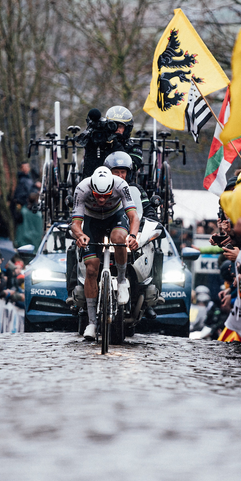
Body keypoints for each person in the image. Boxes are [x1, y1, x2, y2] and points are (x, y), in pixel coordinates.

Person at [71, 166, 140, 340]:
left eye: (106, 195)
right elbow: (75, 224)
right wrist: (80, 236)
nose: (101, 199)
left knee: (119, 238)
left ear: (112, 189)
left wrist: (132, 236)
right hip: (91, 220)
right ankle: (92, 323)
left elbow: (133, 216)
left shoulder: (121, 185)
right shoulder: (82, 188)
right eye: (97, 195)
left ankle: (122, 280)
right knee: (91, 268)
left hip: (115, 216)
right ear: (92, 189)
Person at [80, 105, 142, 178]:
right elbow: (89, 168)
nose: (116, 129)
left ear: (126, 129)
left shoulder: (133, 147)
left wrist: (115, 144)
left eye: (120, 126)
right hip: (96, 184)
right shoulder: (99, 143)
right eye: (113, 126)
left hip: (123, 186)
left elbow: (133, 166)